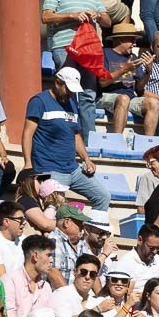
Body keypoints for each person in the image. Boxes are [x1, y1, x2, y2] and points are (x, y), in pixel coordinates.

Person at [22, 67, 109, 212]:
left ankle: (93, 233)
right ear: (57, 83)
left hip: (73, 168)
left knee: (103, 197)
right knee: (56, 207)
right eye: (68, 89)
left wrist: (86, 159)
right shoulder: (39, 101)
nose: (70, 93)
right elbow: (27, 134)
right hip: (49, 168)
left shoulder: (72, 103)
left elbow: (75, 135)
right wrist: (28, 163)